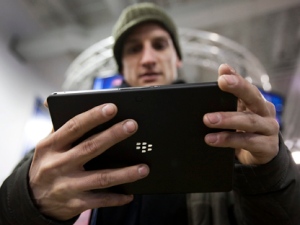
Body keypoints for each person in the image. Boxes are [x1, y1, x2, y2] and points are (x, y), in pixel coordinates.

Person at [1, 2, 299, 225]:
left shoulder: (228, 128)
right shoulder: (82, 126)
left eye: (159, 45)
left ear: (177, 57)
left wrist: (268, 173)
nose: (147, 58)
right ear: (121, 67)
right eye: (133, 49)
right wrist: (29, 197)